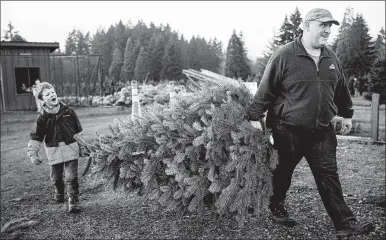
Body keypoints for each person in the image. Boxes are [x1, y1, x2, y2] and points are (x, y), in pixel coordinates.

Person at [247, 8, 374, 237]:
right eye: (322, 25)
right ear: (306, 26)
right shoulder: (284, 55)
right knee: (282, 172)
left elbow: (342, 89)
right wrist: (254, 116)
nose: (327, 30)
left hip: (322, 130)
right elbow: (266, 90)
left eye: (330, 26)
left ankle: (345, 223)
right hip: (288, 130)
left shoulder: (331, 58)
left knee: (329, 175)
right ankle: (275, 206)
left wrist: (346, 114)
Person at [27, 82, 83, 213]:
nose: (52, 94)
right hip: (54, 151)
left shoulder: (69, 112)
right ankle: (59, 193)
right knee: (56, 178)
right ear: (42, 100)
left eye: (52, 92)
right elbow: (35, 137)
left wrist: (83, 146)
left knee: (71, 177)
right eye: (47, 94)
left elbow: (78, 131)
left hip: (71, 148)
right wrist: (33, 154)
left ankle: (73, 202)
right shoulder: (42, 118)